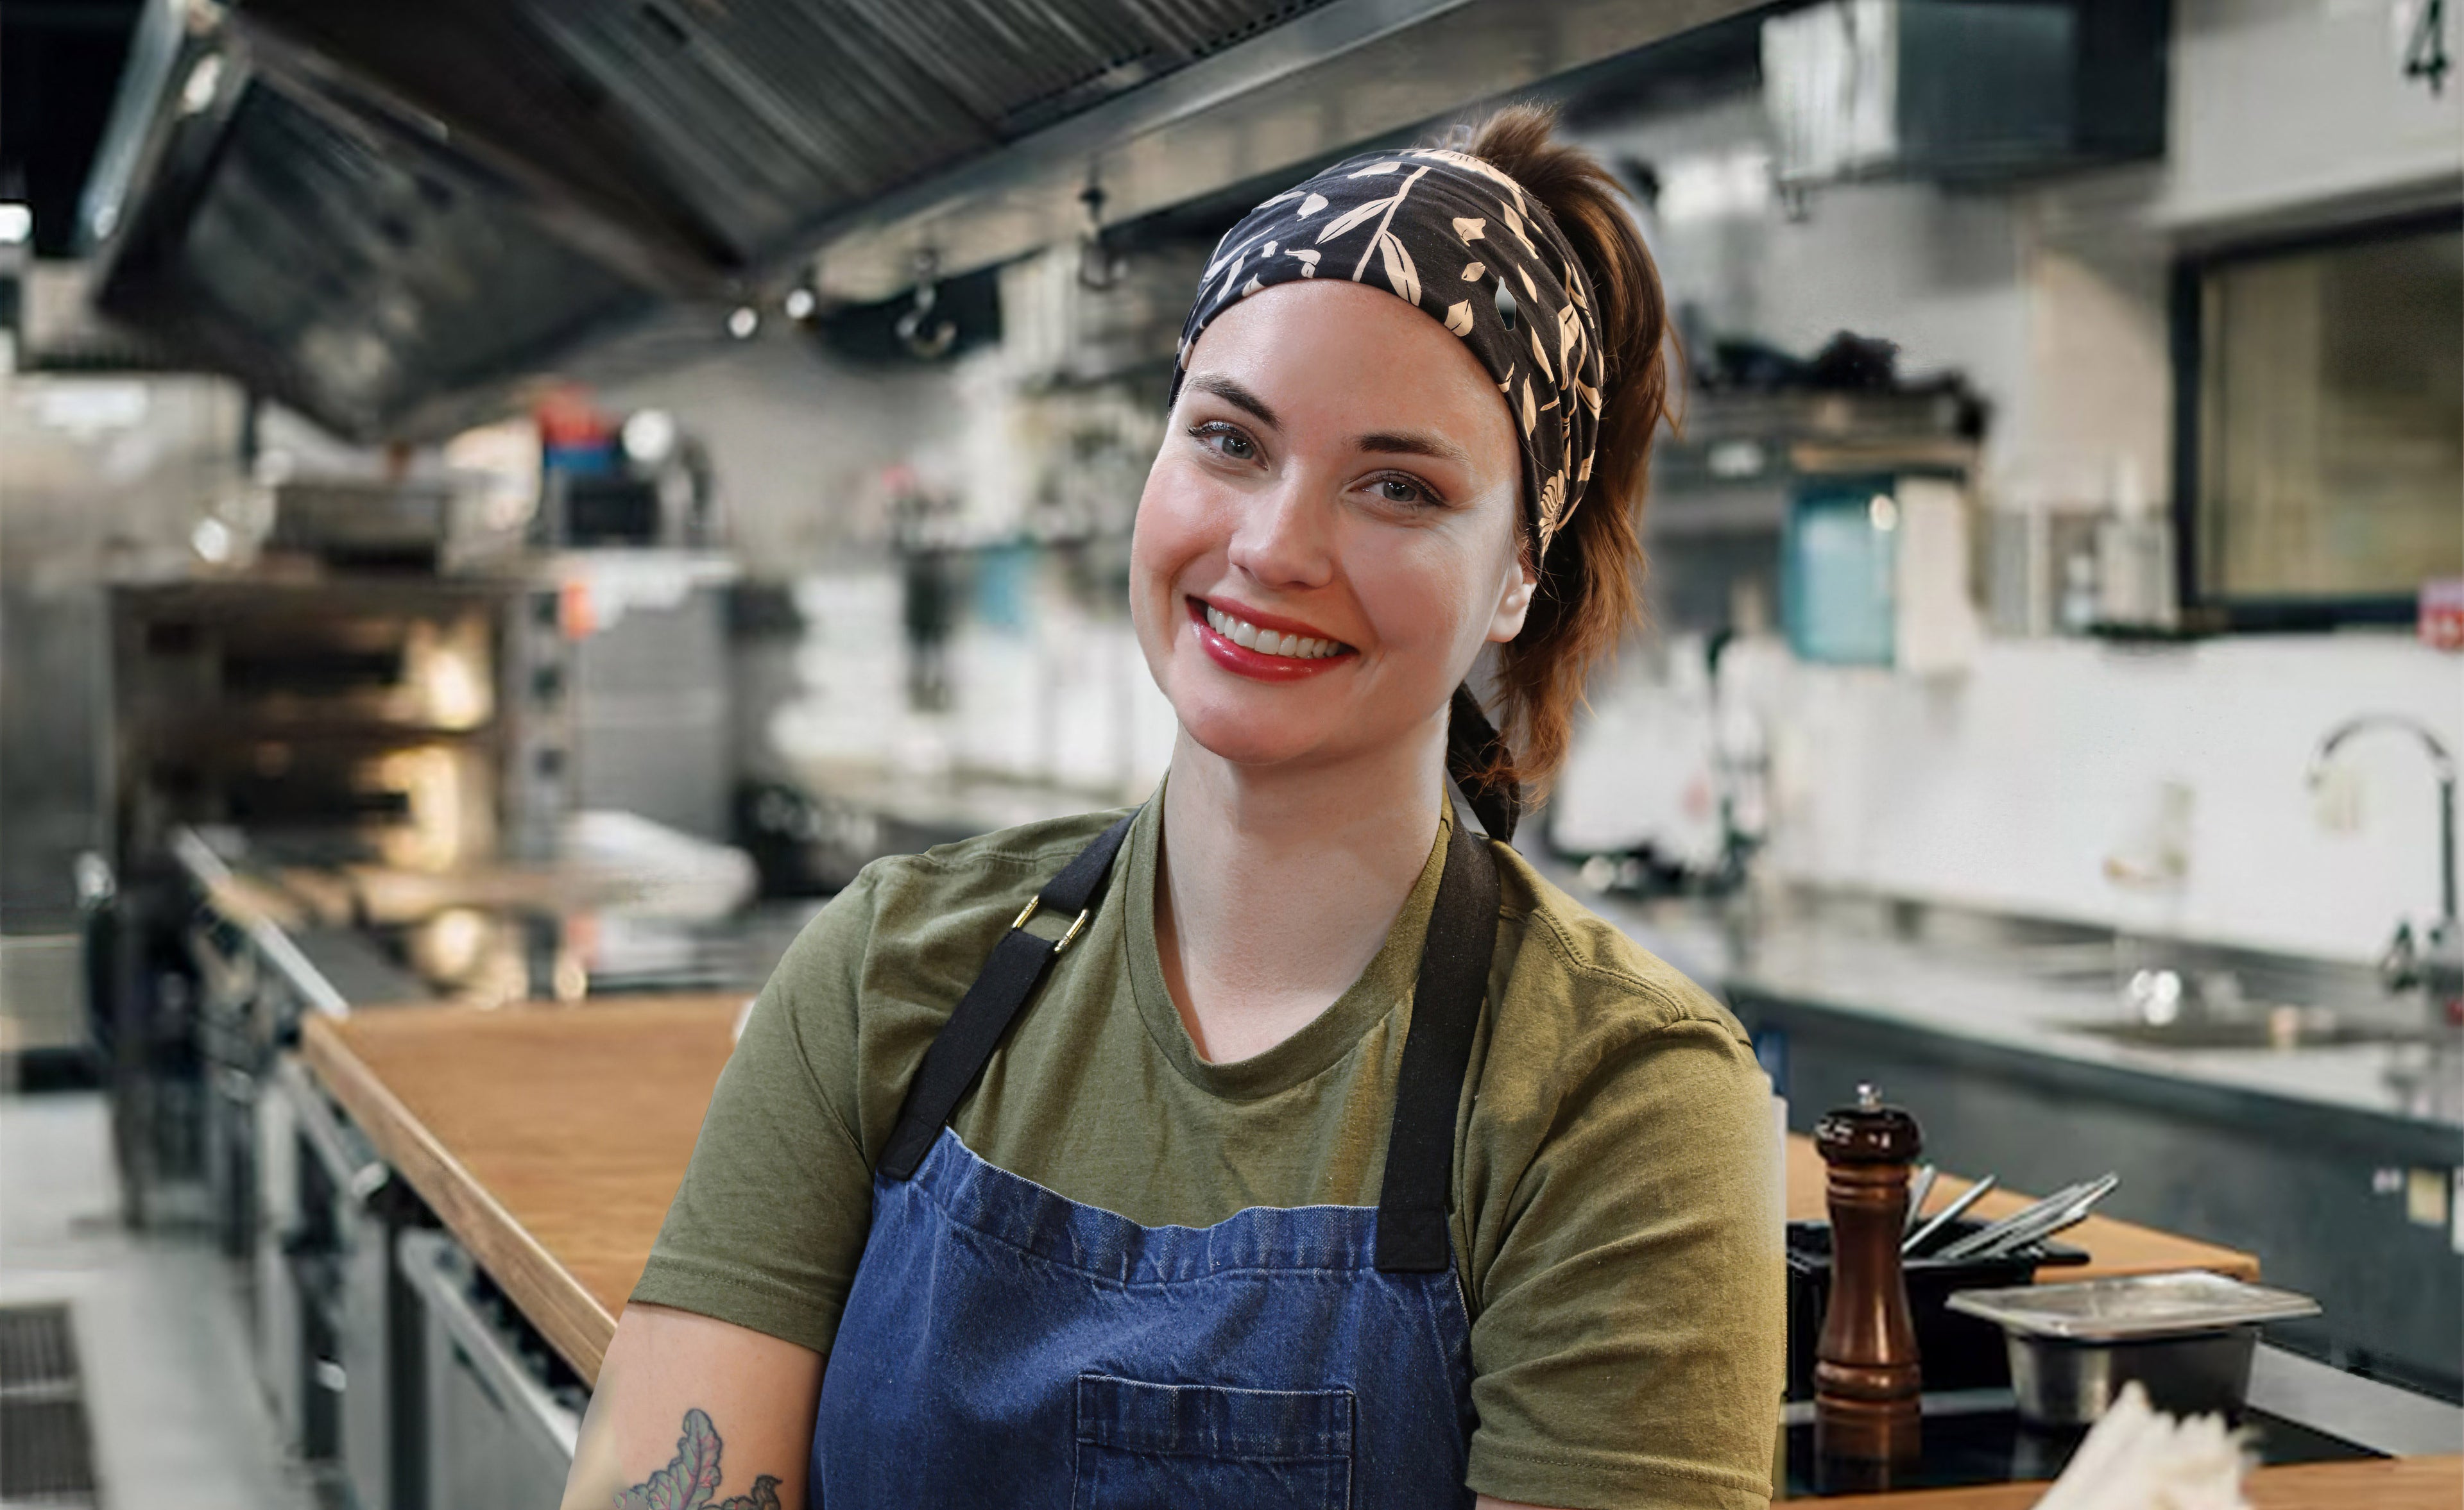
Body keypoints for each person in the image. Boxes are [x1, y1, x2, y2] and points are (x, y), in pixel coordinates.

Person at [561, 105, 1781, 1510]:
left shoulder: (1615, 1102)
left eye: (1398, 486)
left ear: (1516, 577)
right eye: (1230, 440)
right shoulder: (888, 969)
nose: (1272, 545)